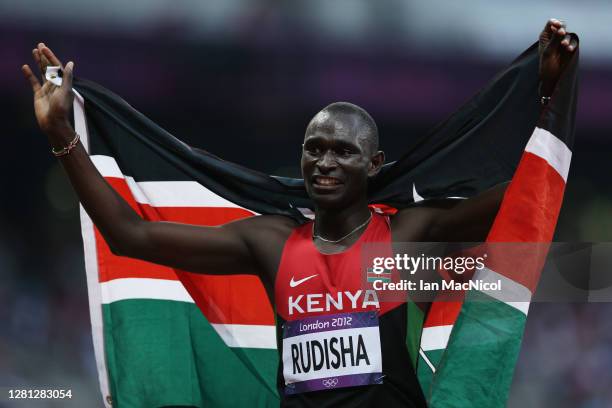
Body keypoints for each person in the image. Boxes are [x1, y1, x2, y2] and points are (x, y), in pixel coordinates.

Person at [22, 18, 577, 408]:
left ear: (373, 163)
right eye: (315, 148)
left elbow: (526, 198)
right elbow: (129, 235)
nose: (325, 162)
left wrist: (550, 97)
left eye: (343, 151)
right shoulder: (270, 242)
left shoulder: (406, 234)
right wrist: (62, 137)